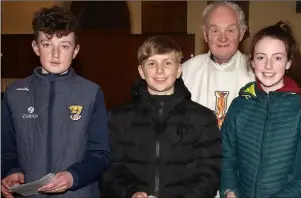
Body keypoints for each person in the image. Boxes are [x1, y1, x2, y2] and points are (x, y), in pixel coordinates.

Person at [1, 6, 111, 198]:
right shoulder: (13, 94)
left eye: (64, 46)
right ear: (35, 47)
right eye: (47, 44)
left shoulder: (91, 93)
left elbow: (101, 153)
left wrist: (73, 176)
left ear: (75, 50)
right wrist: (11, 171)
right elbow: (6, 148)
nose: (55, 54)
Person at [100, 35, 222, 198]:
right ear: (141, 71)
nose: (159, 70)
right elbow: (109, 169)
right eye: (151, 63)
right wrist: (129, 194)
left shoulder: (202, 118)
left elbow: (210, 171)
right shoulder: (119, 117)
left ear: (178, 70)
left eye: (167, 63)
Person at [220, 21, 301, 198]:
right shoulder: (239, 105)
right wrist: (230, 191)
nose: (268, 66)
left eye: (277, 58)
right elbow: (226, 156)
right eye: (261, 57)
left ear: (288, 63)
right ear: (252, 62)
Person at [182, 1, 255, 128]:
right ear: (205, 34)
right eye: (215, 30)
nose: (223, 38)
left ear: (241, 33)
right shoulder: (185, 72)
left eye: (230, 30)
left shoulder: (256, 72)